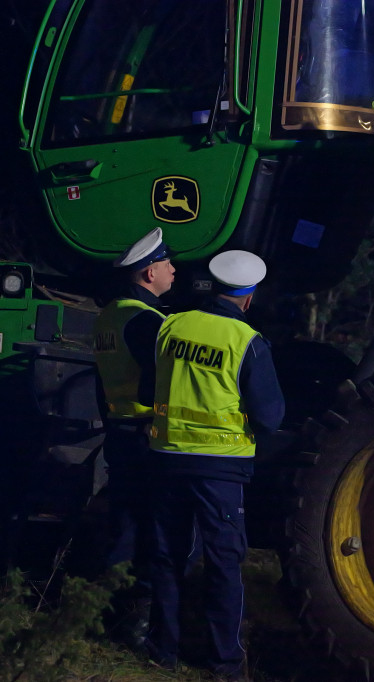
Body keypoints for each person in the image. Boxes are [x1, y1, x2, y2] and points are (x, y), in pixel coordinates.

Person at [144, 250, 285, 681]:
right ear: (248, 297)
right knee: (224, 564)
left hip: (167, 459)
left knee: (168, 556)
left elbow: (154, 382)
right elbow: (270, 415)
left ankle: (161, 652)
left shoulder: (171, 325)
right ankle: (224, 664)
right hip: (219, 468)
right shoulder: (247, 342)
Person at [92, 227, 175, 647]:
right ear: (148, 274)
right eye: (165, 265)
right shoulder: (148, 321)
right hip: (146, 436)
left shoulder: (109, 314)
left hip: (119, 432)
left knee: (123, 524)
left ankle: (98, 612)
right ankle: (135, 623)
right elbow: (158, 383)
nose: (173, 270)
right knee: (150, 531)